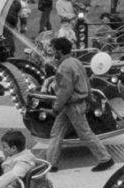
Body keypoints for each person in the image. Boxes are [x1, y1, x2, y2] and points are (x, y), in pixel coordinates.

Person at [44, 37, 113, 173]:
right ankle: (51, 163)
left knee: (85, 134)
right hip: (74, 105)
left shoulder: (64, 67)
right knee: (56, 132)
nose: (53, 52)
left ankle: (106, 159)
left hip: (71, 105)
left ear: (59, 50)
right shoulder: (76, 61)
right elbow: (86, 81)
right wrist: (90, 99)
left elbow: (65, 91)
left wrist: (55, 108)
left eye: (54, 49)